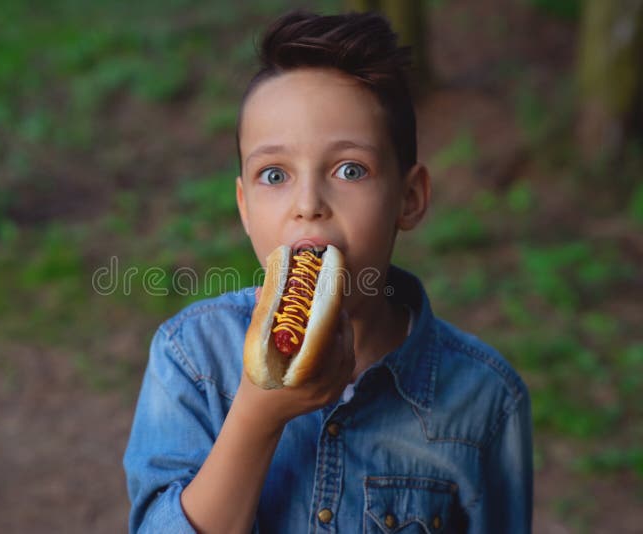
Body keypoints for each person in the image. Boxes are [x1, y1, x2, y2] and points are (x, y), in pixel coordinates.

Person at [123, 9, 532, 533]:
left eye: (349, 170)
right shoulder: (189, 357)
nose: (309, 203)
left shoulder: (486, 398)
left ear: (409, 198)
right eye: (275, 174)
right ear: (245, 207)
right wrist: (255, 417)